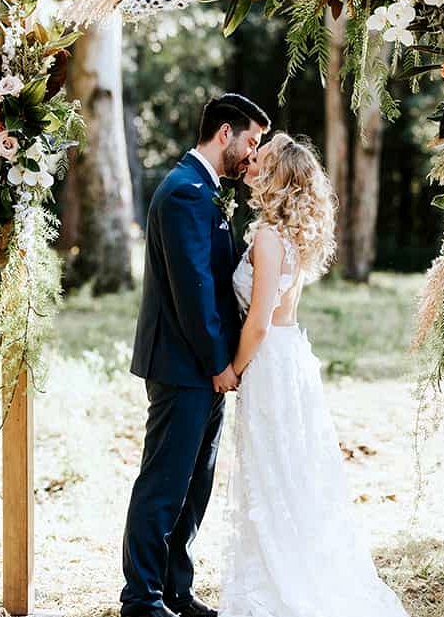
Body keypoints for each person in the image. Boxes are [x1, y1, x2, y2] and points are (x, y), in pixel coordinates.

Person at [219, 132, 409, 617]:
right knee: (290, 470)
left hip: (268, 361)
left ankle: (277, 581)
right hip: (291, 357)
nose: (252, 161)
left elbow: (258, 323)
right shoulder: (290, 235)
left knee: (271, 470)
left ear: (276, 178)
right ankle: (292, 562)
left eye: (262, 159)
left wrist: (231, 371)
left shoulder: (266, 237)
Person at [120, 94, 271, 617]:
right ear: (225, 133)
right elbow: (194, 290)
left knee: (194, 483)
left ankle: (177, 589)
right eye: (252, 141)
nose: (254, 154)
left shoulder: (206, 189)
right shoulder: (185, 191)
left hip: (205, 368)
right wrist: (218, 365)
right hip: (184, 365)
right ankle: (142, 596)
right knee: (164, 483)